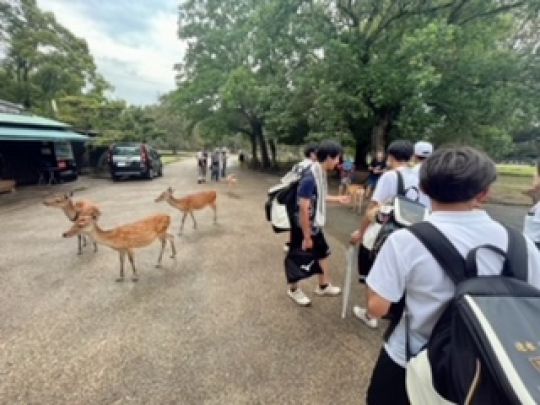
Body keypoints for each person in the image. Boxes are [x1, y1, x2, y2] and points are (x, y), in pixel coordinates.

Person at [359, 146, 540, 405]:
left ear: (423, 188)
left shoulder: (405, 241)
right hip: (489, 371)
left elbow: (376, 308)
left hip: (410, 359)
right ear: (485, 193)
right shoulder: (521, 245)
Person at [351, 140, 430, 328]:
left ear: (390, 157)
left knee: (375, 271)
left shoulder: (390, 176)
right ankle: (398, 312)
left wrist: (361, 233)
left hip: (388, 233)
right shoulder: (427, 177)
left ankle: (372, 315)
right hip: (418, 233)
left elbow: (373, 208)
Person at [287, 140, 351, 306]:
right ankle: (293, 289)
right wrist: (307, 236)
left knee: (322, 253)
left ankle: (323, 286)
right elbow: (303, 207)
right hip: (303, 225)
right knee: (298, 256)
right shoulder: (310, 177)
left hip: (314, 223)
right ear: (329, 157)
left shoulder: (319, 172)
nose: (338, 162)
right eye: (337, 158)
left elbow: (319, 198)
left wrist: (338, 198)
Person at [282, 143, 318, 253]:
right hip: (304, 200)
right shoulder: (313, 167)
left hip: (291, 199)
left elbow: (285, 181)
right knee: (305, 222)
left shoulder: (298, 165)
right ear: (312, 154)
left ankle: (291, 245)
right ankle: (304, 248)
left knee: (294, 224)